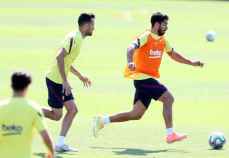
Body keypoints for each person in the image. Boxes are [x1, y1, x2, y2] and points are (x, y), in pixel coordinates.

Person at [93, 12, 204, 143]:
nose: (166, 27)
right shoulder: (146, 36)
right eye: (164, 24)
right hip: (142, 78)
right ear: (156, 24)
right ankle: (170, 134)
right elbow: (130, 47)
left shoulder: (163, 41)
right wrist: (130, 61)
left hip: (146, 80)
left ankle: (102, 121)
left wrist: (191, 63)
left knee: (136, 114)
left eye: (167, 25)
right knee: (168, 98)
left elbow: (174, 55)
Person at [42, 13, 94, 152]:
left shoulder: (78, 38)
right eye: (92, 25)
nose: (93, 28)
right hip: (55, 81)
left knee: (72, 110)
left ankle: (60, 144)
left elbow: (66, 62)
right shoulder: (74, 38)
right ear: (86, 25)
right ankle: (31, 111)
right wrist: (65, 81)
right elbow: (59, 57)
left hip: (59, 81)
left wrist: (80, 76)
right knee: (57, 115)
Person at [0, 71, 54, 158]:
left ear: (11, 85)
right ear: (27, 87)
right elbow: (46, 137)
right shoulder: (33, 108)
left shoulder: (1, 107)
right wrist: (52, 153)